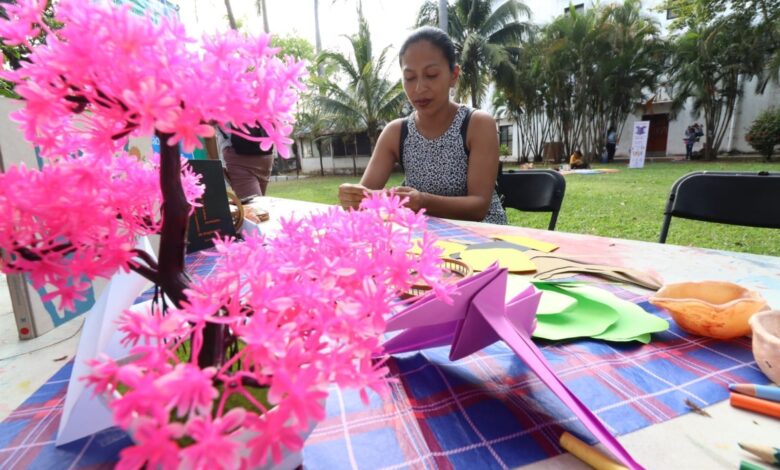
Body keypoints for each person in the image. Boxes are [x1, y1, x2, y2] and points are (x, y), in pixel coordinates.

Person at [338, 27, 507, 224]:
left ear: (454, 75)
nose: (419, 88)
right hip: (424, 238)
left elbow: (478, 207)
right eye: (409, 78)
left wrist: (423, 201)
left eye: (431, 75)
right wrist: (354, 197)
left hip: (483, 238)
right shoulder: (396, 133)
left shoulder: (477, 125)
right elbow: (364, 198)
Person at [216, 124, 274, 200]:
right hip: (264, 154)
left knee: (255, 207)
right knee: (258, 206)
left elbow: (208, 131)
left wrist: (214, 165)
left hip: (241, 157)